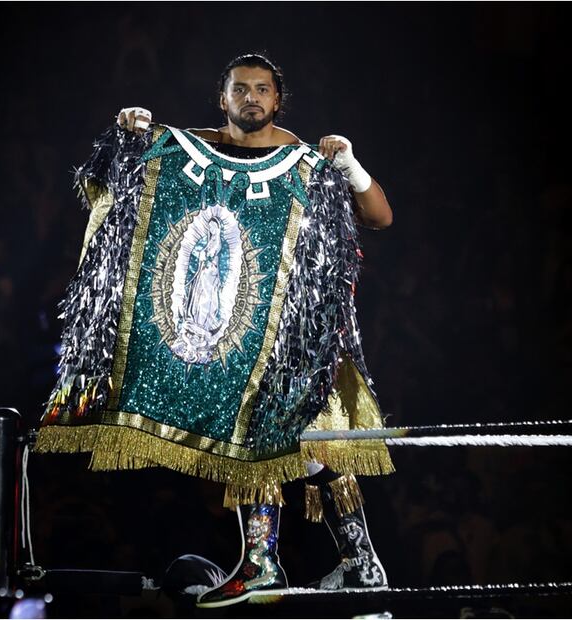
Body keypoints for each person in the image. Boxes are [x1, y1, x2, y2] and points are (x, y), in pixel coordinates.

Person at [39, 53, 395, 607]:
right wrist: (127, 134)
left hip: (297, 331)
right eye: (240, 89)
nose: (251, 97)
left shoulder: (302, 158)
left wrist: (350, 166)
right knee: (280, 441)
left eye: (261, 89)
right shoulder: (185, 146)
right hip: (225, 327)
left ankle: (318, 563)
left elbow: (378, 217)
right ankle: (321, 562)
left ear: (278, 100)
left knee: (308, 440)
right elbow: (109, 187)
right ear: (222, 97)